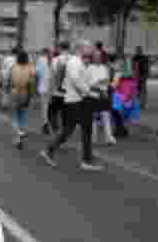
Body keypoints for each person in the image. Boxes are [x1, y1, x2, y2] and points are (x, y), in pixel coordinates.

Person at [41, 39, 103, 171]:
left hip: (78, 100)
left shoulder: (79, 61)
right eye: (88, 47)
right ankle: (51, 151)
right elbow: (75, 80)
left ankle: (86, 158)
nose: (90, 50)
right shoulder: (75, 62)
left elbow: (81, 80)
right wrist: (89, 92)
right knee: (69, 130)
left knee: (83, 129)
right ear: (80, 48)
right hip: (75, 101)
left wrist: (92, 88)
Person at [86, 48, 117, 146]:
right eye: (96, 56)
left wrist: (106, 88)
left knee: (106, 116)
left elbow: (107, 81)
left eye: (99, 56)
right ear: (93, 57)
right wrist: (97, 83)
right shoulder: (89, 68)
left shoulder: (104, 68)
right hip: (93, 95)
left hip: (103, 94)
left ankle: (109, 138)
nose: (98, 58)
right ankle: (93, 138)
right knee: (93, 118)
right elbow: (87, 84)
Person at [7, 50, 35, 148]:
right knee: (22, 115)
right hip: (24, 92)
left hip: (14, 91)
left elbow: (8, 80)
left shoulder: (13, 67)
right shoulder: (30, 68)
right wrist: (31, 96)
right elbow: (31, 83)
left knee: (14, 115)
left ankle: (17, 136)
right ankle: (22, 132)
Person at [47, 42, 71, 135]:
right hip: (69, 92)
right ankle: (64, 132)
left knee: (51, 112)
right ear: (69, 48)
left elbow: (52, 77)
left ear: (60, 48)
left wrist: (50, 92)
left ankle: (56, 130)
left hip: (57, 92)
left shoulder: (55, 60)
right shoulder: (74, 59)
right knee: (66, 114)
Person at [35, 47, 52, 134]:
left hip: (42, 87)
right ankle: (50, 124)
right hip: (51, 88)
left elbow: (36, 73)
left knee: (44, 107)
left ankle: (45, 125)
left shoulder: (40, 60)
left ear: (43, 53)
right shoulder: (52, 59)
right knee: (49, 107)